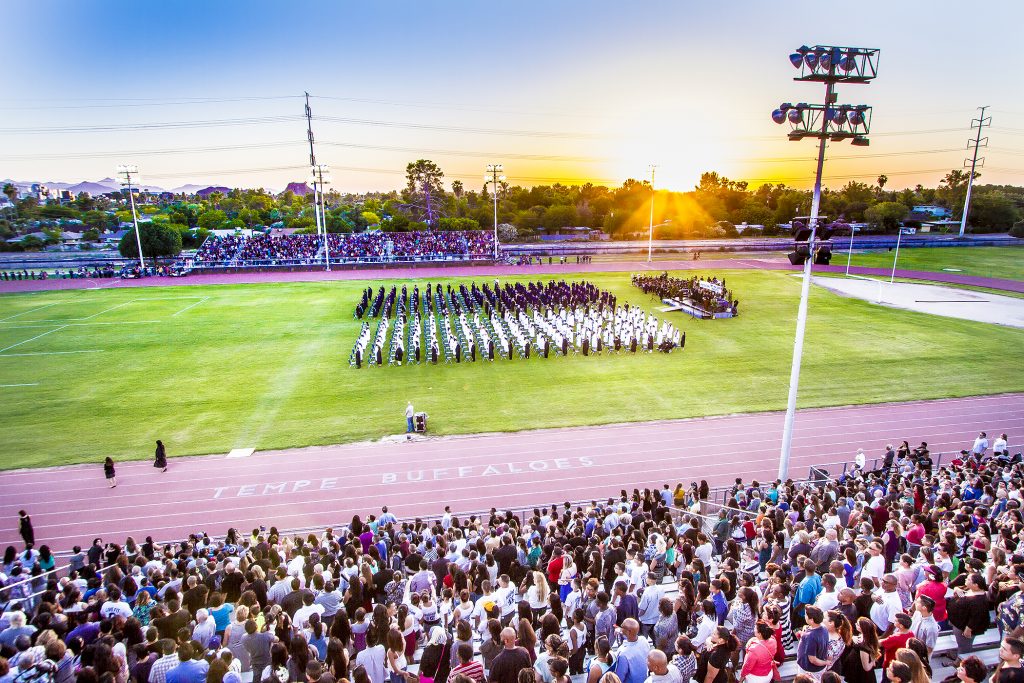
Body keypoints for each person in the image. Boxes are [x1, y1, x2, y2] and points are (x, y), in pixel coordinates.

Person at [612, 619, 651, 683]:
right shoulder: (644, 640)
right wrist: (621, 631)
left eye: (622, 626)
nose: (621, 626)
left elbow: (619, 677)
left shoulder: (623, 653)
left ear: (629, 632)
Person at [796, 606, 829, 678]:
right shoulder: (823, 627)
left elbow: (813, 660)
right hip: (816, 667)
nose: (805, 616)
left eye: (806, 615)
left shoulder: (810, 637)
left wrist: (826, 663)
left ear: (812, 620)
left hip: (809, 670)